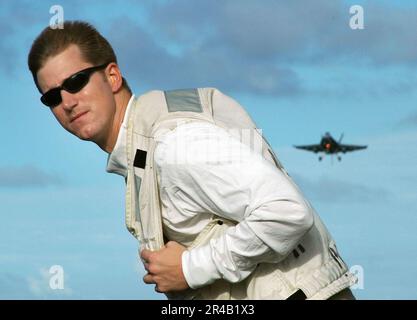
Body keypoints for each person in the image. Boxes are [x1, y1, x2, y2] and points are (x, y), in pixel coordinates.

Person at [28, 20, 357, 300]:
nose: (67, 101)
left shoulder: (174, 144)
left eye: (76, 81)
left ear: (112, 76)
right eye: (52, 97)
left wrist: (189, 269)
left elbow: (286, 211)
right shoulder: (145, 148)